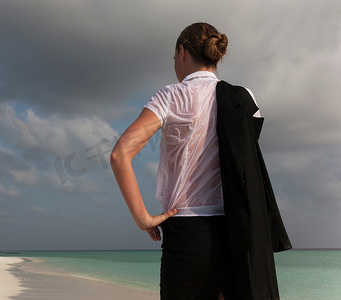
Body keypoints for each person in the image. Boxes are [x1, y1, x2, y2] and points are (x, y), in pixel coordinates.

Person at [110, 22, 291, 300]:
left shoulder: (171, 96)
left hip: (187, 234)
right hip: (238, 234)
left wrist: (142, 218)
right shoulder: (245, 100)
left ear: (182, 52)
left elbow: (121, 153)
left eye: (174, 58)